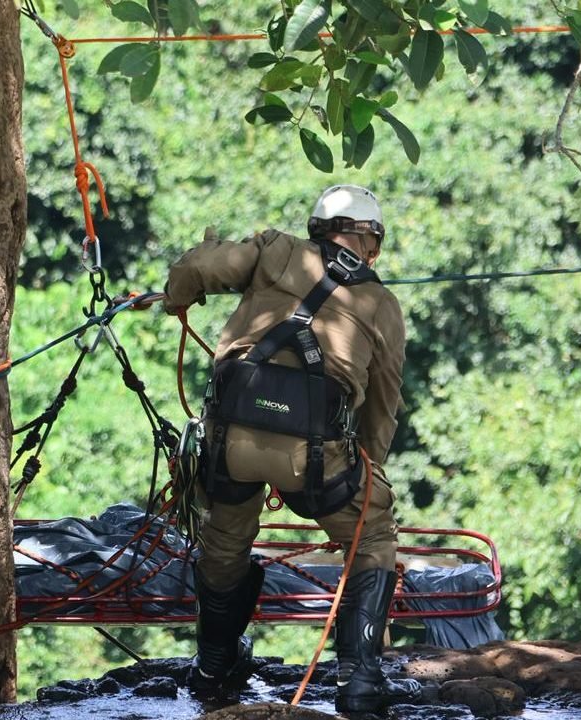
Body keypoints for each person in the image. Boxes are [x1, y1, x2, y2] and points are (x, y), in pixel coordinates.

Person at [164, 185, 421, 714]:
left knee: (225, 539)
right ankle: (359, 678)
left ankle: (214, 664)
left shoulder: (275, 250)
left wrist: (175, 298)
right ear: (369, 240)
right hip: (315, 456)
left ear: (318, 229)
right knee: (371, 538)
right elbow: (382, 406)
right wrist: (365, 469)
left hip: (230, 443)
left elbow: (199, 268)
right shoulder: (381, 303)